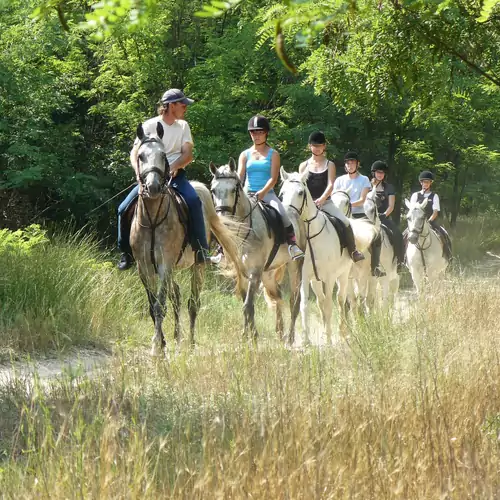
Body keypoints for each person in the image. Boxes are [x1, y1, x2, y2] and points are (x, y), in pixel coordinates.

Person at [116, 88, 212, 270]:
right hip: (149, 177)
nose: (185, 107)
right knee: (123, 208)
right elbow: (135, 153)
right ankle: (126, 253)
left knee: (193, 202)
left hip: (176, 176)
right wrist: (138, 173)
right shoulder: (149, 125)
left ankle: (200, 250)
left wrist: (174, 167)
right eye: (182, 104)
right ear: (171, 106)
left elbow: (188, 154)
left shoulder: (183, 126)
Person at [238, 115, 304, 260]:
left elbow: (273, 179)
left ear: (266, 133)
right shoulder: (245, 154)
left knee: (283, 214)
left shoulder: (273, 154)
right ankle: (220, 250)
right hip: (247, 193)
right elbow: (240, 177)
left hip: (267, 193)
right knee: (229, 214)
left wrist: (262, 193)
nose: (256, 135)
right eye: (253, 132)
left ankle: (292, 245)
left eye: (260, 132)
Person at [298, 131, 364, 262]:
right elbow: (301, 187)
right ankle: (291, 249)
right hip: (308, 204)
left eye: (320, 145)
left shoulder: (330, 164)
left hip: (326, 202)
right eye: (314, 145)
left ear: (324, 146)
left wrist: (322, 199)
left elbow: (330, 185)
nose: (317, 148)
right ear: (309, 146)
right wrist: (310, 202)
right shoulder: (303, 166)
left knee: (345, 222)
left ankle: (353, 251)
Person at [333, 151, 386, 277]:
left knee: (377, 234)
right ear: (345, 165)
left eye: (352, 163)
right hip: (341, 215)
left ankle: (375, 267)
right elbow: (334, 198)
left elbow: (363, 200)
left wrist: (348, 205)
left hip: (359, 214)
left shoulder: (364, 180)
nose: (350, 165)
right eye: (348, 163)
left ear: (357, 165)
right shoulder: (339, 180)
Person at [370, 160, 405, 271]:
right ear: (374, 173)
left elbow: (391, 206)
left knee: (398, 235)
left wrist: (384, 215)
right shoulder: (367, 186)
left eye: (382, 172)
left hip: (383, 218)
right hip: (368, 218)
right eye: (378, 172)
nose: (380, 174)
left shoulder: (389, 187)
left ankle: (399, 261)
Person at [410, 170, 452, 261]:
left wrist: (428, 222)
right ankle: (404, 258)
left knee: (444, 234)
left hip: (430, 222)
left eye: (427, 182)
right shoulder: (415, 195)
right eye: (424, 182)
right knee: (405, 235)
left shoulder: (434, 196)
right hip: (417, 223)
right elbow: (412, 210)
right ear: (421, 183)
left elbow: (435, 212)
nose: (425, 184)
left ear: (430, 183)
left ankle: (448, 256)